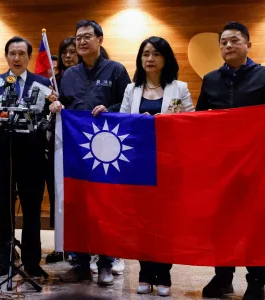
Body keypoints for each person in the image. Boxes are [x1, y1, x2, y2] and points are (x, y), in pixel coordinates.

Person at [49, 20, 131, 286]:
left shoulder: (116, 70)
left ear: (100, 39)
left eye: (87, 36)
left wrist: (111, 108)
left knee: (105, 206)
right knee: (78, 206)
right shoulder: (69, 74)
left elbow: (128, 104)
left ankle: (106, 263)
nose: (82, 42)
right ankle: (81, 263)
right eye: (78, 38)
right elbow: (64, 105)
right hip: (76, 151)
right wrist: (57, 105)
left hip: (108, 152)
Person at [120, 36, 194, 297]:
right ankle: (144, 272)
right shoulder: (132, 89)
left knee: (165, 221)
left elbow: (190, 122)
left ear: (165, 59)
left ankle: (163, 273)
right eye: (145, 54)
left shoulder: (179, 88)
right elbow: (124, 124)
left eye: (156, 54)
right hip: (139, 163)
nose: (150, 58)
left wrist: (165, 122)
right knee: (142, 221)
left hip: (168, 163)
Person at [196, 22, 265, 300]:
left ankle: (257, 280)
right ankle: (223, 276)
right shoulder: (211, 79)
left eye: (234, 41)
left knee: (254, 222)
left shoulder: (263, 76)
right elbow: (199, 118)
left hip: (256, 164)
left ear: (248, 45)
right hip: (220, 165)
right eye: (223, 42)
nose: (227, 46)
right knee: (221, 221)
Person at [0, 36, 51, 277]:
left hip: (32, 157)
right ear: (6, 57)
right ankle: (4, 259)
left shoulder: (43, 82)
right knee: (2, 210)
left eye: (22, 54)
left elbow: (49, 119)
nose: (16, 58)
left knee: (32, 211)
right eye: (12, 54)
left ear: (29, 57)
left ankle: (31, 262)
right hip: (2, 156)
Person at [45, 37, 80, 265]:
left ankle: (79, 247)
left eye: (72, 52)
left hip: (77, 147)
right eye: (64, 52)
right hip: (55, 146)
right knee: (56, 195)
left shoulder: (80, 79)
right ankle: (60, 245)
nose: (68, 56)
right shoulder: (54, 83)